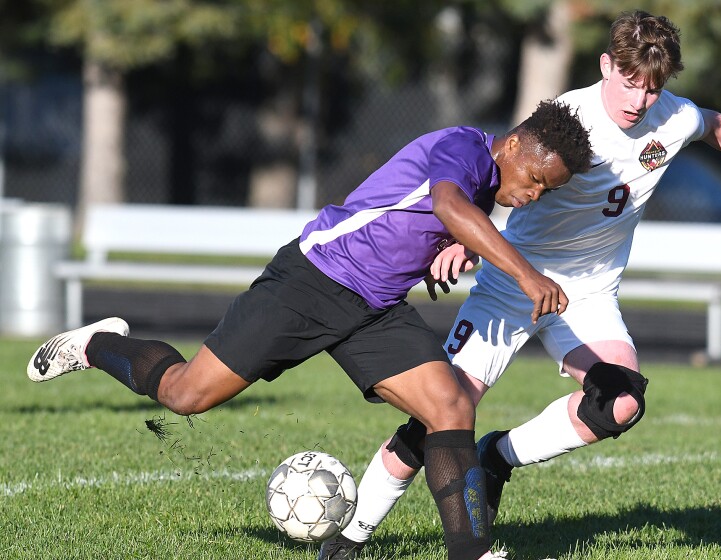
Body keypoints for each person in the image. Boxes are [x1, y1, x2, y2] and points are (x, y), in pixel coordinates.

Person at [319, 9, 721, 559]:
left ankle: (496, 459)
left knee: (619, 402)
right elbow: (501, 169)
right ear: (605, 64)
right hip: (513, 284)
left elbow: (714, 124)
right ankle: (351, 535)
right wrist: (461, 239)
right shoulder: (567, 123)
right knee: (440, 412)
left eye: (651, 89)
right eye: (628, 83)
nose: (637, 100)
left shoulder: (672, 117)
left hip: (589, 295)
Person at [26, 100, 593, 560]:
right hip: (313, 281)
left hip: (373, 308)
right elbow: (445, 203)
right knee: (184, 395)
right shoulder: (464, 147)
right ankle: (95, 344)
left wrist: (452, 250)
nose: (534, 194)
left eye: (547, 191)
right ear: (514, 144)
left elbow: (426, 218)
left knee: (450, 407)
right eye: (537, 180)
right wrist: (524, 272)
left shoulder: (483, 187)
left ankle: (471, 555)